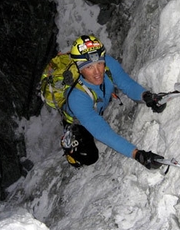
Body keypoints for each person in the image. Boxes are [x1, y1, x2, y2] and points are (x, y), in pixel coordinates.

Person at [61, 35, 167, 170]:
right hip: (77, 119)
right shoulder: (76, 97)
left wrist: (146, 96)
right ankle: (69, 147)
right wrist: (136, 154)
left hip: (96, 104)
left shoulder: (108, 63)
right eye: (89, 67)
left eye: (99, 63)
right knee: (89, 156)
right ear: (79, 69)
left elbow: (126, 84)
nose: (97, 72)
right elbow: (102, 132)